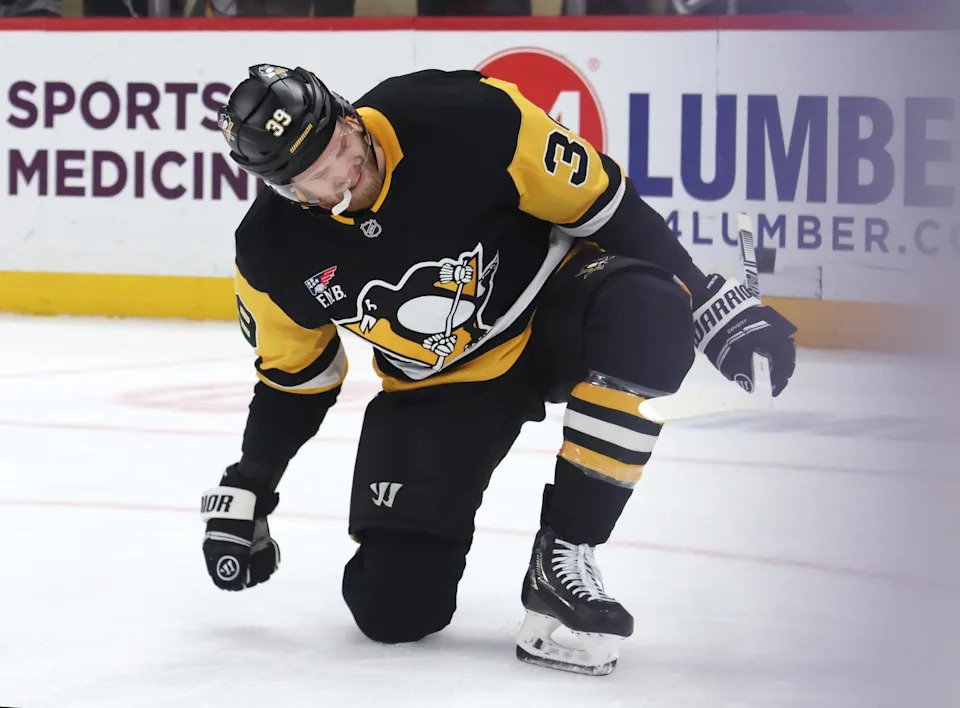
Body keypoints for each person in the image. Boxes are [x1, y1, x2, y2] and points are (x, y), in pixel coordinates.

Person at [201, 63, 796, 675]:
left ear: (348, 115)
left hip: (557, 302)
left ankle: (566, 552)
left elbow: (603, 204)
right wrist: (251, 483)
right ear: (288, 191)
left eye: (343, 147)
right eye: (320, 178)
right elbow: (295, 381)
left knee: (649, 310)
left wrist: (702, 298)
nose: (348, 174)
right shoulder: (272, 254)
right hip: (442, 383)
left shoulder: (464, 115)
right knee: (393, 608)